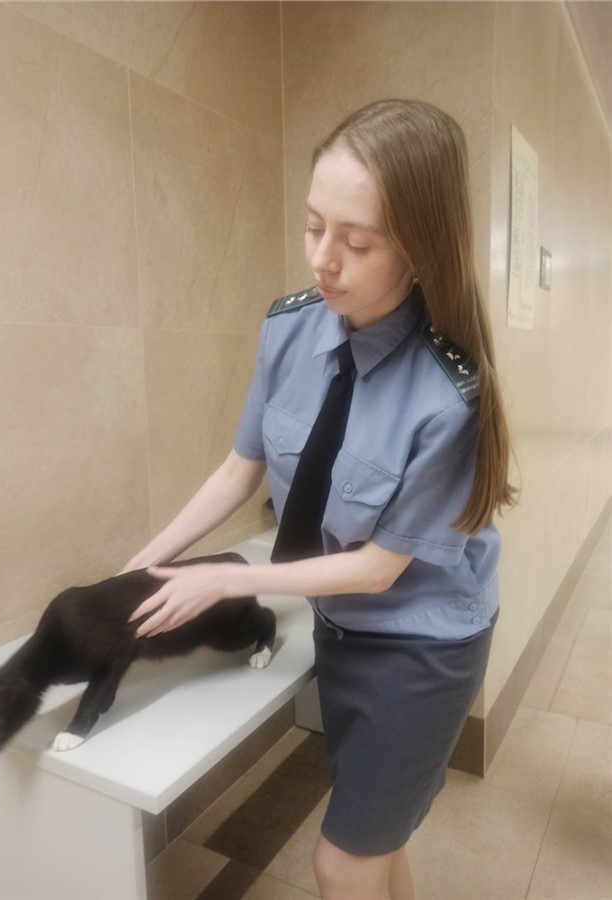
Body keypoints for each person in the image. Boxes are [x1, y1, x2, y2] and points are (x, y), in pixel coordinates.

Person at [122, 99, 516, 900]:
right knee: (376, 843)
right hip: (339, 628)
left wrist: (225, 579)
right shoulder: (289, 329)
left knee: (341, 861)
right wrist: (146, 562)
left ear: (419, 246)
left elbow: (377, 570)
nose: (323, 260)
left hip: (419, 646)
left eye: (356, 242)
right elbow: (240, 470)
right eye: (312, 227)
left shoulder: (448, 395)